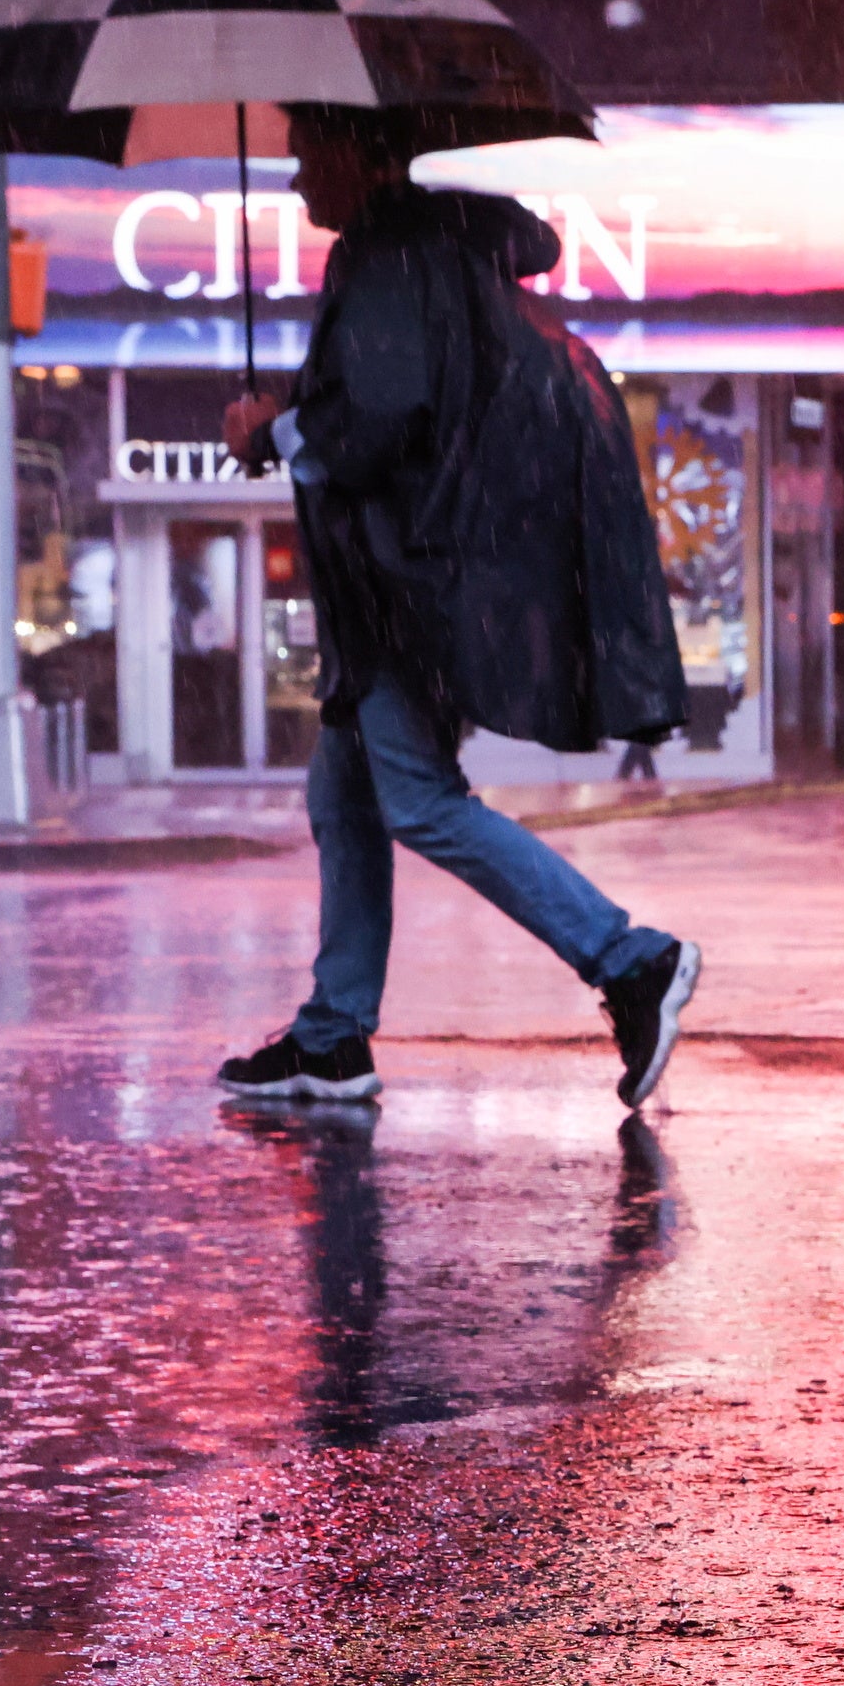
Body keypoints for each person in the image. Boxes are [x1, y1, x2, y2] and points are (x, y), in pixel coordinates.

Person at [208, 109, 698, 1112]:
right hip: (403, 585)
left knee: (421, 802)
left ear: (364, 152)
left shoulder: (386, 253)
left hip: (403, 590)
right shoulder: (430, 252)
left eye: (311, 153)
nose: (299, 178)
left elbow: (382, 416)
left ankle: (628, 957)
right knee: (343, 800)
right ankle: (332, 1035)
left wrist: (278, 426)